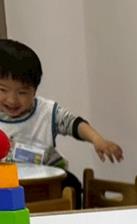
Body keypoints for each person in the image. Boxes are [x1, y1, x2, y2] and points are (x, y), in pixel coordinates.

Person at [0, 39, 124, 204]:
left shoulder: (46, 111)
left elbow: (73, 123)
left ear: (35, 91)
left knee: (72, 185)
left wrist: (97, 140)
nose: (12, 100)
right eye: (2, 90)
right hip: (7, 184)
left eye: (22, 92)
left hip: (50, 182)